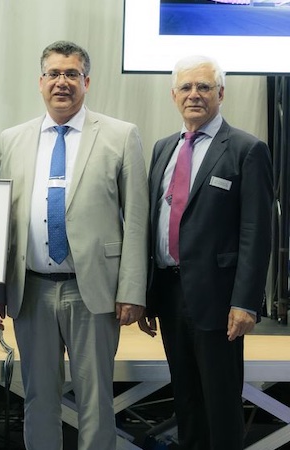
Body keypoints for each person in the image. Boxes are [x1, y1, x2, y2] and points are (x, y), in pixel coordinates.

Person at [0, 40, 149, 450]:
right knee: (38, 396)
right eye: (54, 74)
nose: (63, 82)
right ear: (40, 82)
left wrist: (132, 289)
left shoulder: (120, 135)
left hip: (93, 290)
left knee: (96, 400)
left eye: (72, 74)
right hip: (31, 289)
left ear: (87, 82)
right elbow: (0, 221)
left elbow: (136, 221)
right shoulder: (12, 139)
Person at [138, 55, 272, 450]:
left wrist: (246, 302)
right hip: (169, 292)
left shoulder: (247, 149)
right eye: (186, 87)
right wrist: (146, 295)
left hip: (220, 300)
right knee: (186, 400)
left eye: (204, 87)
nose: (194, 95)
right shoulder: (164, 148)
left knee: (221, 402)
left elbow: (256, 232)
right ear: (173, 95)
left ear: (221, 93)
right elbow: (153, 224)